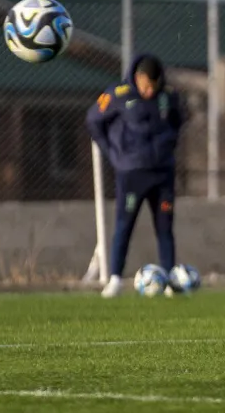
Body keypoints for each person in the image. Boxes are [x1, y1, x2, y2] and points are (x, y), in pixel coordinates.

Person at [86, 54, 186, 298]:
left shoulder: (169, 95)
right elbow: (93, 120)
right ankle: (115, 279)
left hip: (162, 173)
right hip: (132, 173)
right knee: (124, 225)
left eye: (154, 85)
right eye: (145, 86)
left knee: (165, 227)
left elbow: (178, 121)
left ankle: (170, 278)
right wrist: (113, 153)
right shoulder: (118, 94)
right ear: (138, 78)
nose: (149, 91)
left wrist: (168, 145)